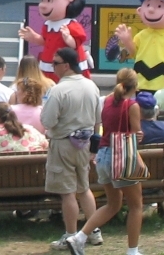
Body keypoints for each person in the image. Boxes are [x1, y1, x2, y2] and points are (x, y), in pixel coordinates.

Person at [63, 69, 144, 255]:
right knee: (136, 205)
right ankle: (132, 251)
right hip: (122, 155)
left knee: (113, 204)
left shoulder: (106, 101)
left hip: (103, 155)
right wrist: (140, 136)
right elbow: (134, 135)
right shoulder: (132, 105)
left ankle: (79, 237)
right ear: (135, 85)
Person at [40, 47, 103, 251]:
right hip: (85, 142)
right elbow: (97, 119)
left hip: (63, 142)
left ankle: (70, 235)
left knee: (67, 192)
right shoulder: (91, 86)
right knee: (84, 188)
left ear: (66, 65)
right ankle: (93, 231)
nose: (53, 67)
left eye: (55, 63)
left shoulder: (58, 90)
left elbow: (48, 121)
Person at [18, 0, 91, 82]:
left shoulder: (71, 24)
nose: (42, 5)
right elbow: (46, 41)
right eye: (42, 0)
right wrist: (35, 38)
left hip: (66, 68)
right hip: (48, 64)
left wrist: (68, 38)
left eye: (49, 0)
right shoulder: (48, 25)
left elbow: (77, 43)